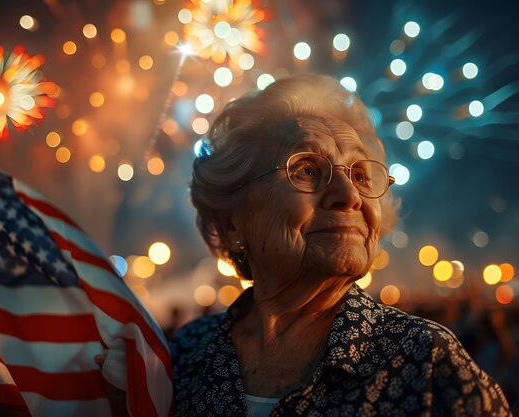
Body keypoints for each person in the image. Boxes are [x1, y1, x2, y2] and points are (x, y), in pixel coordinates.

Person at [170, 74, 511, 416]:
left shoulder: (427, 362)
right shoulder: (180, 357)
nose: (349, 197)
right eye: (306, 170)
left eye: (361, 175)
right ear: (233, 222)